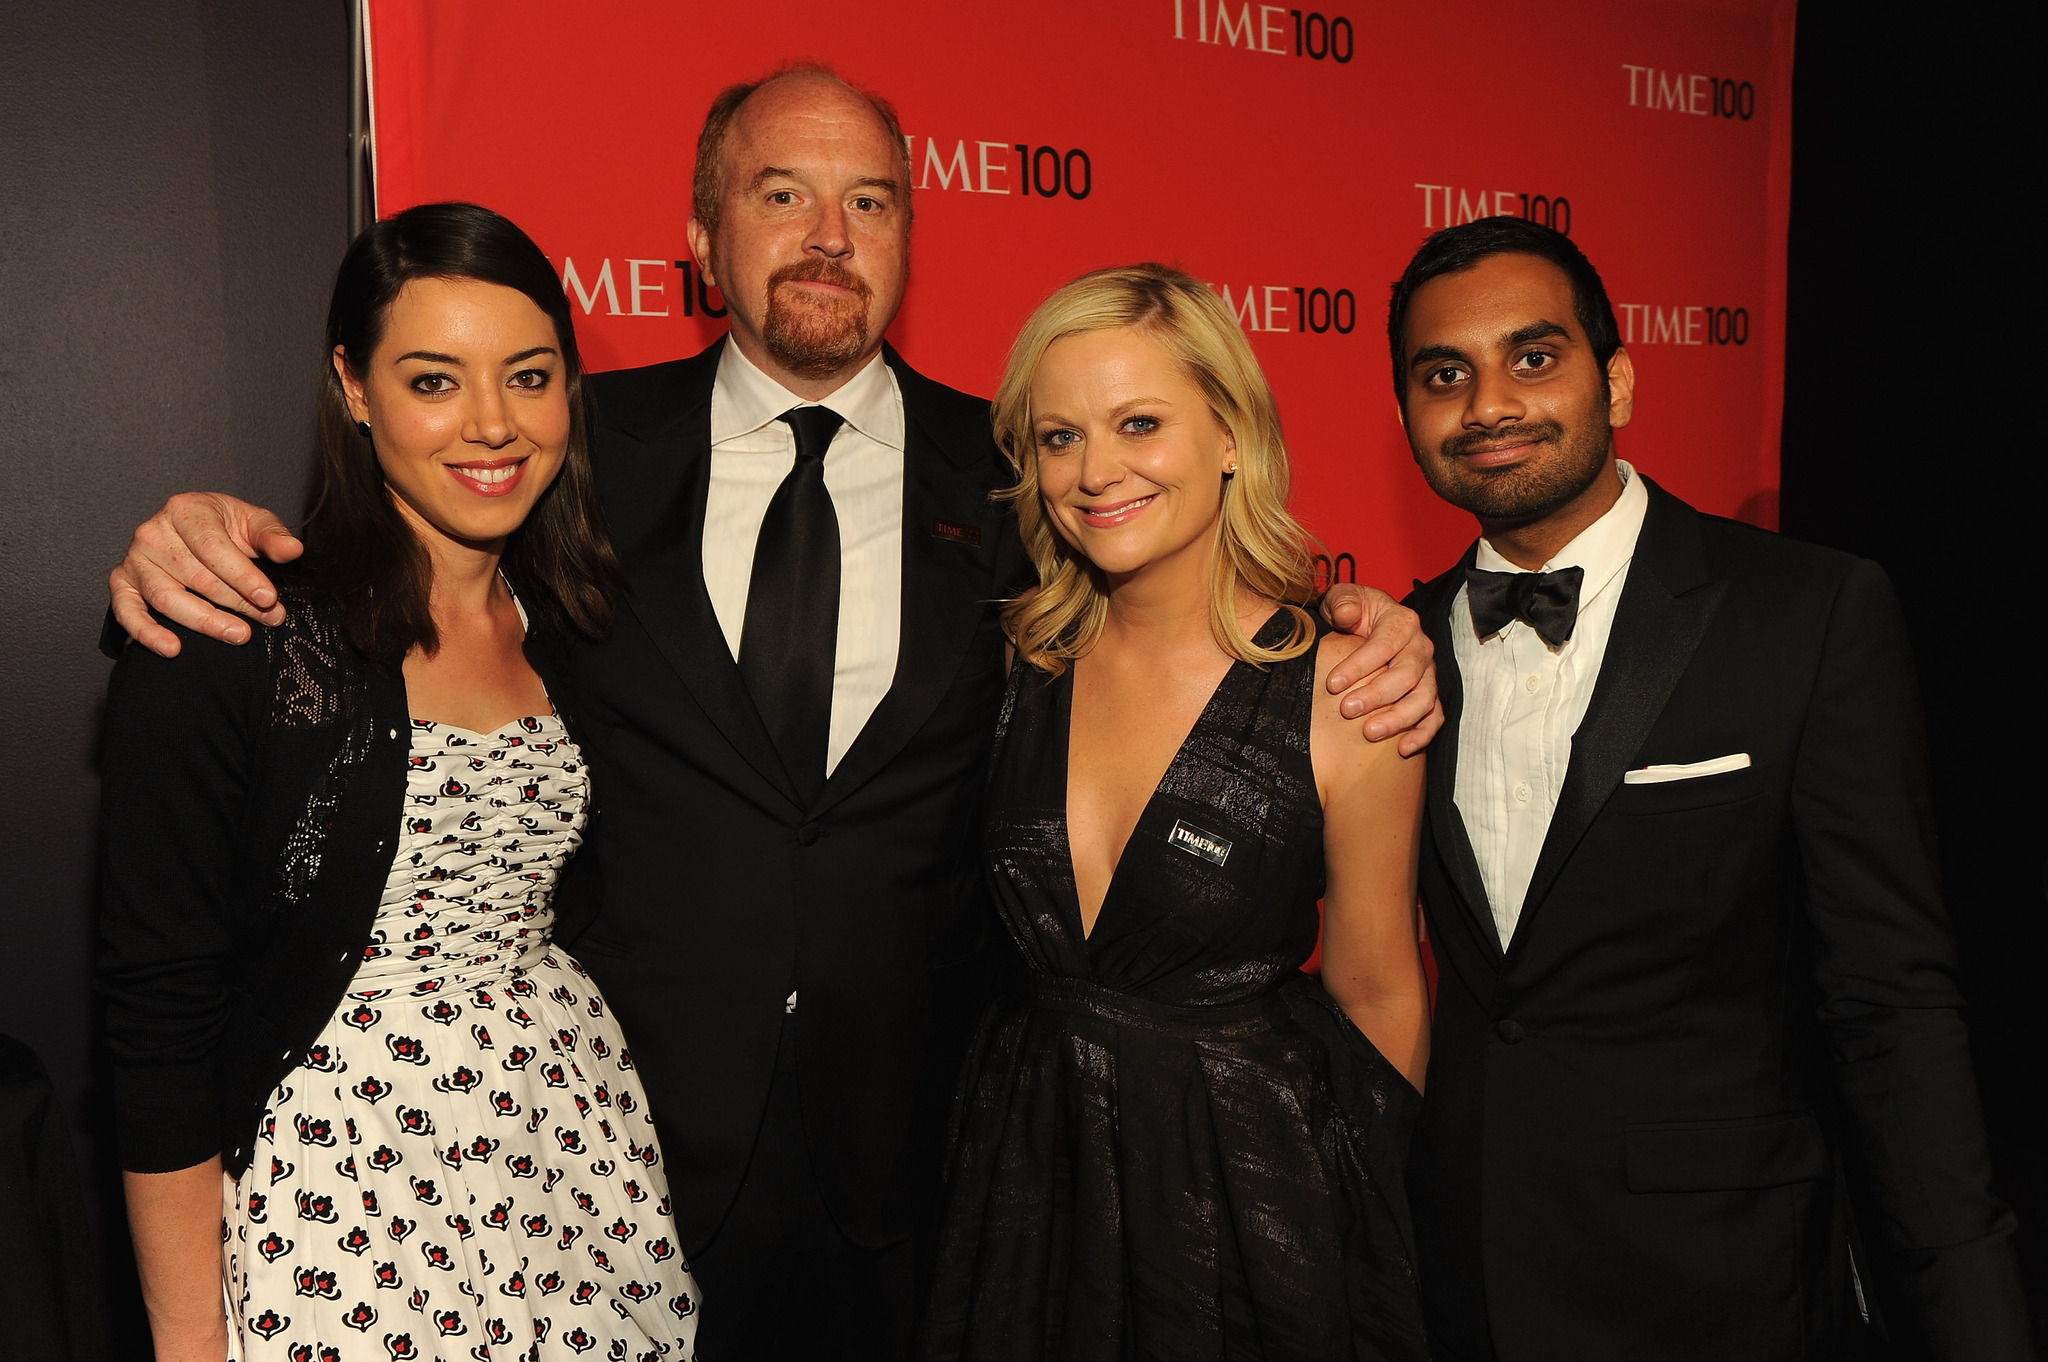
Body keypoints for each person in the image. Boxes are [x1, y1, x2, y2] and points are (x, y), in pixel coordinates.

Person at [102, 66, 1442, 1361]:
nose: (826, 236)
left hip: (936, 1176)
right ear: (700, 235)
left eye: (870, 200)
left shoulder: (1032, 476)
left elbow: (1182, 616)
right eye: (781, 193)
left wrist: (1364, 627)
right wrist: (189, 533)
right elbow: (393, 558)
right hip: (614, 1167)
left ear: (911, 234)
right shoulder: (566, 452)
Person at [1387, 217, 2032, 1359]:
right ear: (1406, 417)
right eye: (1444, 374)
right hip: (1460, 1281)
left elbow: (1889, 1006)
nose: (1487, 403)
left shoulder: (1807, 612)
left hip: (1722, 1284)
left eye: (1532, 358)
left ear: (1616, 378)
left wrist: (1973, 1311)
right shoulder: (1391, 650)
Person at [97, 202, 700, 1361]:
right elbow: (158, 1018)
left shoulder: (575, 622)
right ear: (353, 386)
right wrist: (186, 1337)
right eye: (433, 380)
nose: (490, 425)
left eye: (528, 377)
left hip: (566, 1161)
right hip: (348, 1193)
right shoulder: (235, 635)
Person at [920, 264, 1433, 1361]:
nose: (1096, 470)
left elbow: (1380, 987)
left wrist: (1350, 1222)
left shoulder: (1347, 695)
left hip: (1246, 1204)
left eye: (1139, 422)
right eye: (1058, 438)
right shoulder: (1015, 666)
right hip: (1026, 1179)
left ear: (1231, 436)